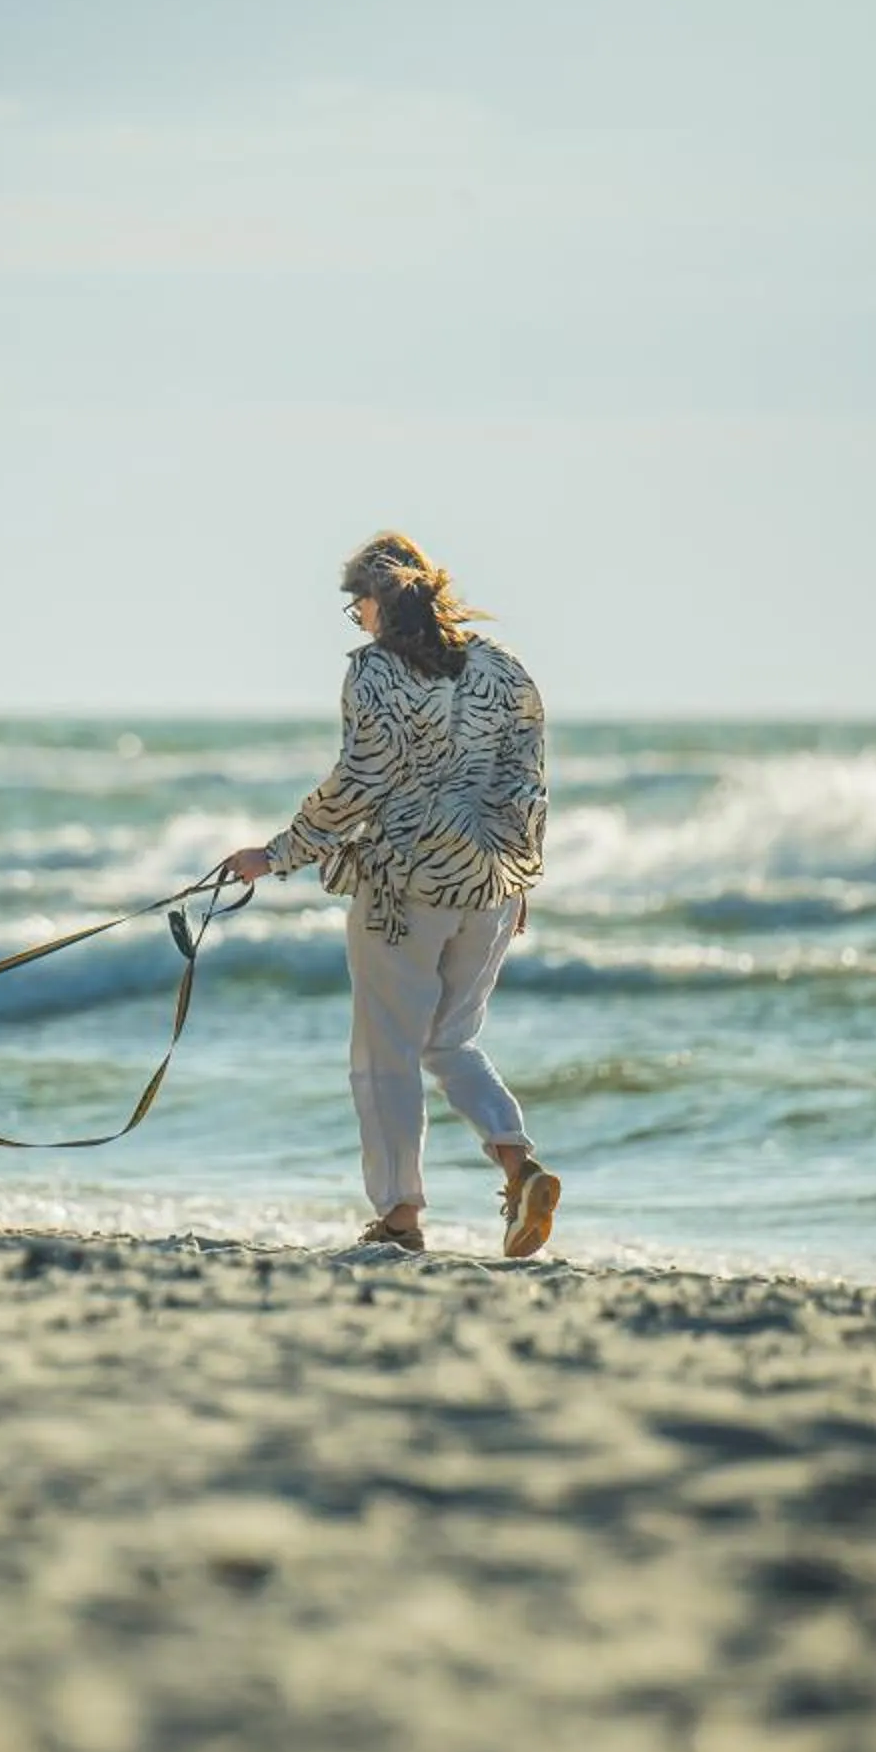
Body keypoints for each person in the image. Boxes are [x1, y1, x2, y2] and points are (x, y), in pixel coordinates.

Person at [223, 532, 561, 1259]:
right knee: (451, 1041)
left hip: (405, 887)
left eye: (358, 609)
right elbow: (528, 779)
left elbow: (360, 781)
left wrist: (276, 855)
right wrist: (519, 872)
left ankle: (401, 1216)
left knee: (386, 1056)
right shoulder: (504, 668)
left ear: (376, 601)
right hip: (490, 885)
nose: (360, 622)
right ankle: (519, 1166)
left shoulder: (374, 671)